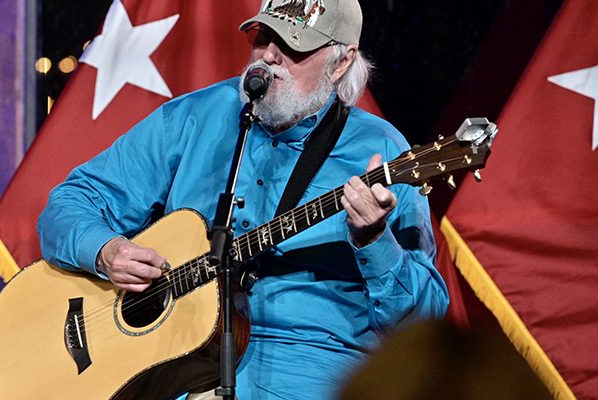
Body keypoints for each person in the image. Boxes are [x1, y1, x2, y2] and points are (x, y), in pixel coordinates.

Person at [37, 0, 449, 399]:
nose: (268, 56)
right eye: (263, 37)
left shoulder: (380, 150)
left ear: (341, 62)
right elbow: (70, 202)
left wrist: (375, 240)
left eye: (293, 46)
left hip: (308, 370)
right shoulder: (194, 116)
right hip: (173, 364)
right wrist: (106, 251)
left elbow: (425, 324)